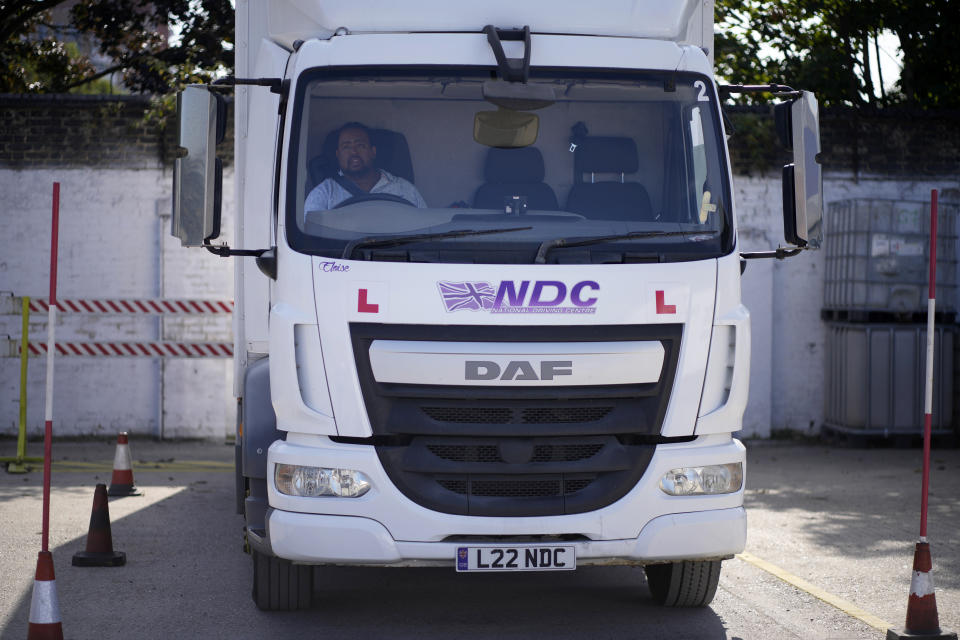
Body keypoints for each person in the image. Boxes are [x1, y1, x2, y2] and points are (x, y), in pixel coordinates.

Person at [305, 122, 427, 211]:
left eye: (360, 145)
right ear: (338, 155)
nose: (353, 152)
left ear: (373, 152)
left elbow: (425, 233)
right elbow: (310, 243)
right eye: (346, 147)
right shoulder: (324, 194)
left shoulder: (405, 190)